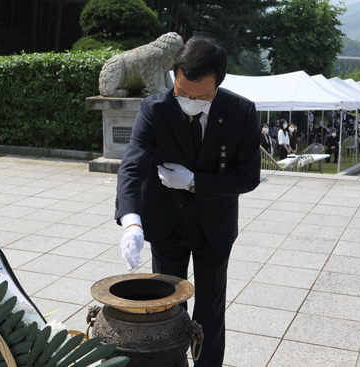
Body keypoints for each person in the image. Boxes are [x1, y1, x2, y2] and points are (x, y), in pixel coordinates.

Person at [114, 36, 261, 367]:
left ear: (218, 85)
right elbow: (132, 167)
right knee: (167, 307)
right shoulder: (155, 109)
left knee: (209, 309)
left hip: (215, 225)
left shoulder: (240, 112)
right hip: (167, 223)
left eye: (201, 97)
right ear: (175, 75)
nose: (190, 101)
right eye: (182, 93)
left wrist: (195, 182)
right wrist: (131, 222)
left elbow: (248, 177)